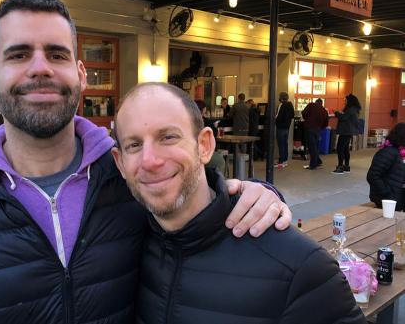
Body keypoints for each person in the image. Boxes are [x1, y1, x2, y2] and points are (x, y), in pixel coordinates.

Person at [0, 0, 292, 323]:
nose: (41, 69)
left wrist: (259, 195)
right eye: (19, 54)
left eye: (56, 55)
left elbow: (201, 202)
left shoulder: (133, 174)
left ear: (79, 72)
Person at [111, 82, 366, 324]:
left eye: (167, 137)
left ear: (204, 146)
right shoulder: (122, 242)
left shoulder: (300, 267)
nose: (149, 161)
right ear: (119, 163)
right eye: (133, 145)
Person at [367, 122, 405, 211]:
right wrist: (387, 194)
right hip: (389, 200)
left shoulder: (401, 152)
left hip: (399, 199)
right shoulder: (388, 152)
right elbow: (372, 176)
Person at [332, 94, 361, 174]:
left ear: (350, 101)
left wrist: (336, 113)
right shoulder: (353, 109)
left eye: (346, 100)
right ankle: (346, 166)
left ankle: (340, 167)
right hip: (348, 131)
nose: (344, 101)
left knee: (340, 148)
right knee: (345, 149)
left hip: (346, 131)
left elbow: (343, 118)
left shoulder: (350, 109)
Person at [302, 98, 329, 170]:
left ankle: (313, 164)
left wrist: (307, 120)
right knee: (315, 146)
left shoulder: (311, 105)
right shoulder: (324, 110)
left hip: (309, 128)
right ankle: (318, 161)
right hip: (318, 130)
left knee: (312, 147)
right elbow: (326, 123)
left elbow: (303, 113)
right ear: (322, 103)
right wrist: (320, 127)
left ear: (315, 102)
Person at [275, 91, 295, 168]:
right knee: (285, 144)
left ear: (281, 98)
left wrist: (275, 120)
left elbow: (278, 116)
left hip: (280, 127)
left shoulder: (281, 105)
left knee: (281, 144)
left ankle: (281, 161)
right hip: (287, 127)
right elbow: (292, 115)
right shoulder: (290, 105)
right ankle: (285, 160)